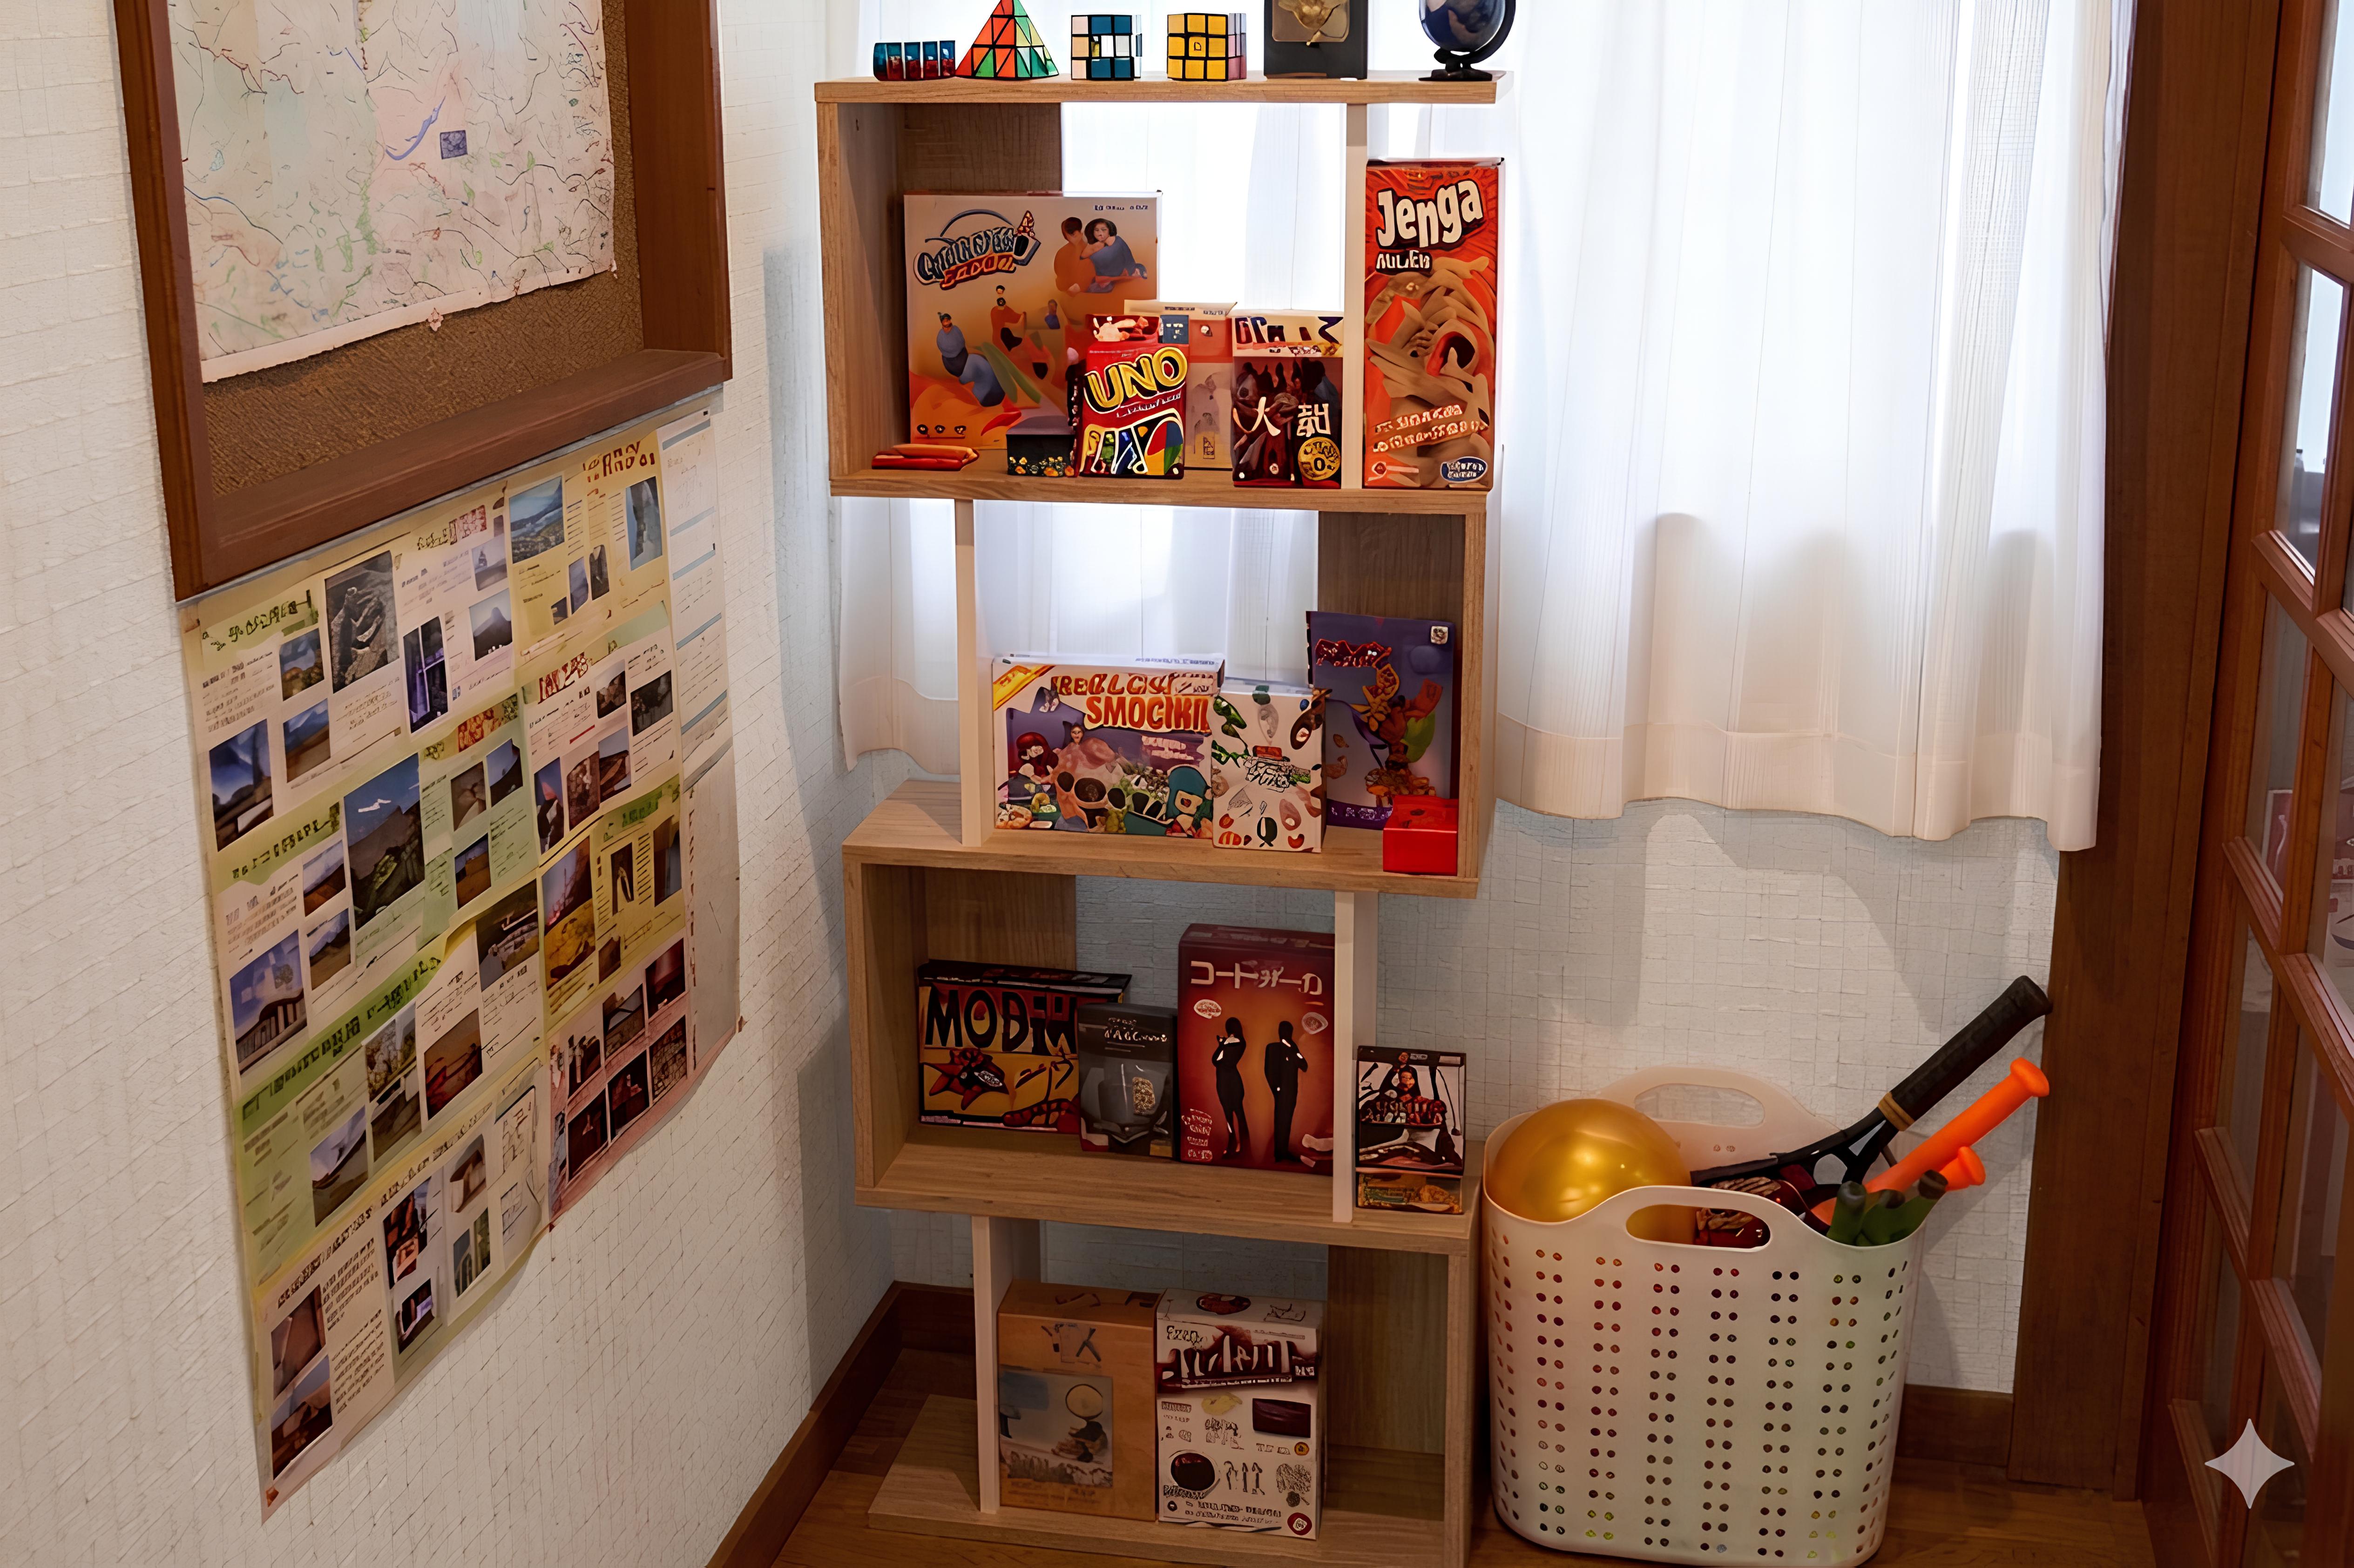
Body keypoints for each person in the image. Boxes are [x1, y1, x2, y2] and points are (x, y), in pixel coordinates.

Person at [1264, 1020, 1309, 1164]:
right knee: (1280, 1120)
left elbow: (1304, 1066)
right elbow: (1268, 1071)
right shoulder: (1273, 1048)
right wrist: (1276, 1088)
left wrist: (1295, 1051)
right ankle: (1279, 1153)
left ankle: (1283, 1151)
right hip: (1281, 1092)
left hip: (1291, 1091)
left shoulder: (1293, 1049)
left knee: (1287, 1120)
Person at [1212, 1019, 1251, 1159]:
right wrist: (1223, 1044)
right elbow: (1215, 1061)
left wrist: (1224, 1044)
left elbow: (1223, 1062)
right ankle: (1232, 1143)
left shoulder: (1239, 1042)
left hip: (1233, 1083)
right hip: (1223, 1083)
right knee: (1228, 1116)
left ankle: (1244, 1145)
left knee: (1239, 1115)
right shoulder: (1228, 1043)